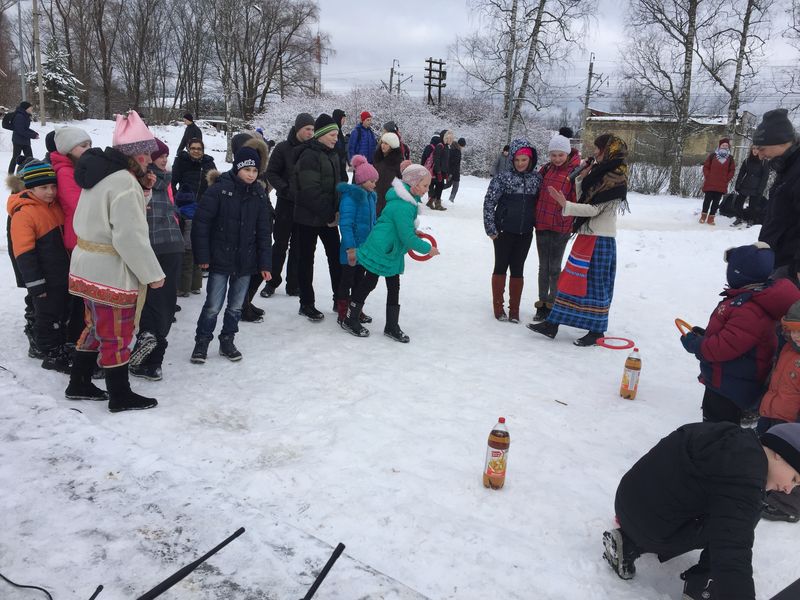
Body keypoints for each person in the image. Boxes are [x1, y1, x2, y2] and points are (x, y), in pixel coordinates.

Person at [602, 421, 800, 600]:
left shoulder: (731, 436)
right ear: (779, 454)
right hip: (652, 527)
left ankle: (629, 543)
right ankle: (703, 587)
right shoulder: (747, 474)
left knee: (730, 507)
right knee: (743, 517)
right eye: (794, 479)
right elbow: (732, 545)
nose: (788, 490)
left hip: (627, 502)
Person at [66, 110, 166, 412]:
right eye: (147, 155)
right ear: (136, 155)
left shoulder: (102, 174)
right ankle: (120, 395)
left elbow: (112, 216)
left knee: (95, 327)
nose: (149, 161)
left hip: (86, 267)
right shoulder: (124, 182)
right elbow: (129, 237)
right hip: (110, 271)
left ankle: (79, 382)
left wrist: (143, 189)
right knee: (116, 334)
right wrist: (152, 274)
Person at [680, 243, 800, 424]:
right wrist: (705, 336)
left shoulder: (749, 309)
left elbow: (724, 347)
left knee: (717, 429)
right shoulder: (750, 299)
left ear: (738, 273)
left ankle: (715, 442)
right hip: (731, 379)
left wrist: (696, 344)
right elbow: (734, 338)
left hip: (729, 387)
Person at [528, 133, 628, 346]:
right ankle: (552, 323)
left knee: (596, 285)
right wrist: (582, 177)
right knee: (569, 281)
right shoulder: (599, 172)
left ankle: (597, 330)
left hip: (600, 240)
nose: (595, 153)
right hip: (586, 236)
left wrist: (565, 205)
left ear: (609, 150)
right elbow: (584, 198)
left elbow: (594, 209)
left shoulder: (616, 178)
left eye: (598, 149)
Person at [190, 146, 272, 364]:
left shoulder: (258, 194)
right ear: (237, 168)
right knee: (213, 305)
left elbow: (264, 231)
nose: (251, 175)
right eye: (247, 170)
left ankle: (227, 340)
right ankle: (202, 342)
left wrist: (265, 263)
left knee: (236, 306)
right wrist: (203, 257)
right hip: (220, 258)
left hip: (246, 261)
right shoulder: (219, 190)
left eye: (255, 171)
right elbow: (201, 224)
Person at [340, 164, 440, 341]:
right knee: (369, 282)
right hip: (383, 249)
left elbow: (402, 228)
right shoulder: (403, 205)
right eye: (425, 185)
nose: (427, 189)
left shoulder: (407, 201)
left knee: (392, 286)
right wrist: (428, 249)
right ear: (414, 183)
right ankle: (350, 318)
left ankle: (391, 326)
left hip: (391, 249)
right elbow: (407, 237)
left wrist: (412, 231)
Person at [6, 159, 72, 373]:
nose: (50, 192)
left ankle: (58, 345)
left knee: (60, 311)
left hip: (60, 273)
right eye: (44, 187)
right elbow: (24, 254)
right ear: (30, 188)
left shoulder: (53, 206)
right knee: (47, 315)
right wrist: (35, 284)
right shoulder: (24, 213)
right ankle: (48, 352)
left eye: (53, 186)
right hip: (44, 277)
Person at [127, 138, 184, 381]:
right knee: (154, 301)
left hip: (169, 247)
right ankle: (150, 349)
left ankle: (151, 349)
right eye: (159, 155)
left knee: (161, 302)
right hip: (153, 247)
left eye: (166, 155)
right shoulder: (141, 182)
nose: (163, 159)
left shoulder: (162, 180)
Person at [483, 138, 542, 323]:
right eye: (516, 160)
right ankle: (498, 307)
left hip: (525, 232)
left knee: (518, 268)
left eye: (524, 160)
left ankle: (514, 310)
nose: (520, 163)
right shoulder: (502, 178)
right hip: (503, 231)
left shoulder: (536, 179)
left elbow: (541, 204)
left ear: (530, 160)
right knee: (500, 266)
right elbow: (489, 202)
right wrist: (491, 228)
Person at [293, 113, 343, 322]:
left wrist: (340, 208)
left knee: (336, 257)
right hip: (307, 218)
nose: (335, 139)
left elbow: (337, 186)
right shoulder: (309, 156)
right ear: (321, 135)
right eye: (332, 135)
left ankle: (340, 300)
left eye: (337, 135)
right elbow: (309, 191)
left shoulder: (333, 155)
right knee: (306, 260)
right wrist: (329, 214)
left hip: (328, 216)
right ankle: (306, 303)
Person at [756, 300, 800, 523]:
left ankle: (787, 505)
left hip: (793, 427)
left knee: (793, 468)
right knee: (769, 457)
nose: (796, 336)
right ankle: (769, 486)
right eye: (792, 329)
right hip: (773, 414)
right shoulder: (788, 348)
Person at [262, 112, 314, 298]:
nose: (310, 132)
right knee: (280, 245)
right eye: (307, 129)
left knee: (298, 247)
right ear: (298, 128)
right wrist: (285, 189)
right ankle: (271, 282)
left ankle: (293, 284)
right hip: (286, 204)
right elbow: (271, 173)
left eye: (312, 129)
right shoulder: (283, 148)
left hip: (305, 206)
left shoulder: (313, 150)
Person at [50, 126, 93, 344]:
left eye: (89, 145)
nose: (88, 149)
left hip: (85, 234)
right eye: (83, 146)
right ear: (68, 149)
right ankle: (76, 338)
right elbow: (78, 204)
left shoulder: (79, 168)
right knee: (81, 295)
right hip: (77, 237)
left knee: (86, 293)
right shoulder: (65, 171)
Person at [532, 133, 580, 322]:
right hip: (542, 225)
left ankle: (553, 304)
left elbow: (576, 200)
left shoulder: (575, 173)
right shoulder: (546, 170)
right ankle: (542, 304)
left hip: (561, 227)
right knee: (543, 267)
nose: (557, 158)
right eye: (553, 155)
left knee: (554, 267)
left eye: (561, 155)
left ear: (567, 154)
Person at [229, 131, 271, 323]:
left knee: (261, 265)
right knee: (243, 269)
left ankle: (246, 301)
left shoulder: (257, 170)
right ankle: (242, 305)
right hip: (244, 229)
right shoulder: (237, 176)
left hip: (261, 223)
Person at [756, 109, 800, 283]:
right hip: (777, 258)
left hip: (791, 265)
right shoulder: (786, 168)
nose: (760, 155)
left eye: (762, 148)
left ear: (781, 142)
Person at [335, 155, 377, 326]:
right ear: (361, 180)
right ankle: (343, 311)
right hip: (351, 250)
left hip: (365, 249)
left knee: (359, 281)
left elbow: (372, 222)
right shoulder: (351, 198)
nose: (374, 185)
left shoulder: (370, 197)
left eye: (375, 181)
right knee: (347, 280)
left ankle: (355, 310)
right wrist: (351, 248)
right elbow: (346, 224)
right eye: (371, 181)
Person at [171, 138, 216, 296]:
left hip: (203, 209)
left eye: (199, 148)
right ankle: (184, 285)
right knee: (186, 248)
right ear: (188, 149)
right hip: (185, 209)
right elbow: (172, 182)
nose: (196, 151)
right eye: (193, 148)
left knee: (199, 245)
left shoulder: (208, 163)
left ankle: (195, 284)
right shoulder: (181, 161)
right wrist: (177, 199)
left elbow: (215, 184)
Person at [699, 138, 735, 225]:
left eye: (726, 145)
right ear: (719, 146)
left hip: (721, 184)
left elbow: (732, 170)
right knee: (707, 200)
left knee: (716, 202)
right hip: (710, 182)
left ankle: (711, 218)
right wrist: (708, 176)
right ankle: (703, 216)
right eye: (723, 145)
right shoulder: (713, 156)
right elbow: (706, 167)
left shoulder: (730, 158)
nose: (725, 147)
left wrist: (727, 179)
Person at [731, 146, 769, 227]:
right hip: (745, 185)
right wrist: (738, 184)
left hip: (756, 187)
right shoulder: (747, 160)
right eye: (753, 149)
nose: (755, 151)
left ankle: (751, 220)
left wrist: (761, 189)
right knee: (738, 203)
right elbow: (741, 173)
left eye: (757, 149)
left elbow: (765, 177)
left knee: (753, 206)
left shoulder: (764, 162)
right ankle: (739, 218)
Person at [373, 132, 404, 215]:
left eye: (386, 144)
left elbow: (401, 179)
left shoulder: (397, 161)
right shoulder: (377, 157)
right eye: (382, 142)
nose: (383, 145)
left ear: (392, 145)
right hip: (376, 192)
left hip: (389, 195)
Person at [7, 101, 39, 174]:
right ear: (26, 108)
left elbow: (25, 128)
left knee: (30, 158)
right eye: (30, 108)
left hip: (24, 140)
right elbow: (20, 130)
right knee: (16, 158)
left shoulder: (25, 115)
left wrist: (34, 133)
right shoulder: (19, 116)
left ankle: (31, 173)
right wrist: (33, 135)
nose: (31, 109)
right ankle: (10, 174)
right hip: (18, 141)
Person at [428, 130, 454, 211]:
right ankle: (437, 204)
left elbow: (446, 161)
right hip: (438, 171)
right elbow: (436, 159)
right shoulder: (440, 146)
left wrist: (446, 172)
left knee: (440, 187)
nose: (451, 140)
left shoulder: (446, 147)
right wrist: (438, 171)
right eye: (449, 138)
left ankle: (431, 201)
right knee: (439, 186)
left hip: (443, 171)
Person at [447, 137, 466, 203]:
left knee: (449, 185)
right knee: (454, 185)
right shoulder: (457, 151)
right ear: (461, 145)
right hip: (454, 172)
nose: (462, 148)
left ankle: (435, 194)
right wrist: (451, 173)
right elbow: (454, 163)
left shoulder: (452, 149)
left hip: (452, 171)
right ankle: (451, 199)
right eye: (462, 146)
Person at [332, 108, 349, 181]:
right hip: (336, 164)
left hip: (341, 163)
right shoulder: (334, 131)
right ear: (338, 118)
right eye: (343, 119)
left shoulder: (339, 130)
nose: (344, 121)